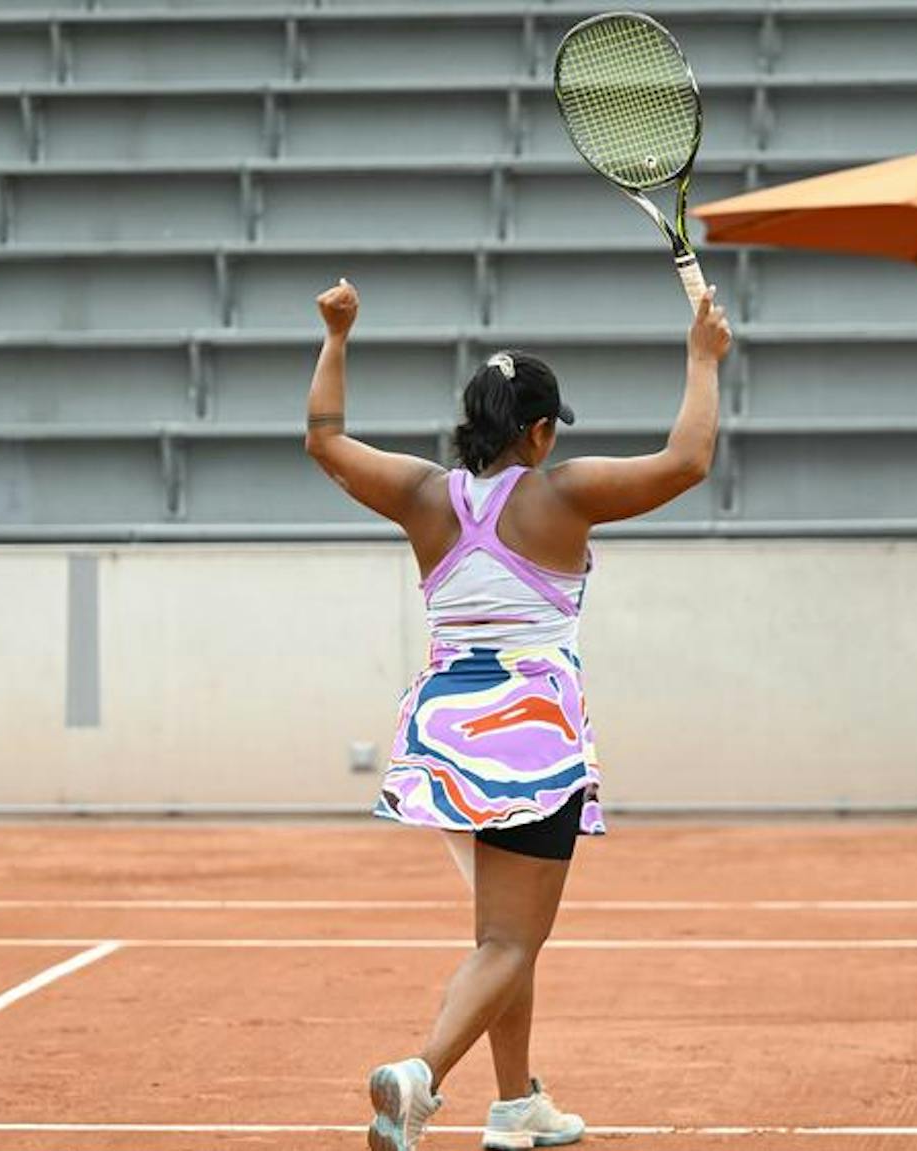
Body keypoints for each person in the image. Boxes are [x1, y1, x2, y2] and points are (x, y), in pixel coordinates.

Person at [305, 276, 732, 1151]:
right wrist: (702, 357)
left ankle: (517, 1104)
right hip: (530, 735)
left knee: (505, 932)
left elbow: (325, 438)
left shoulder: (423, 493)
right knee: (508, 939)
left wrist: (338, 334)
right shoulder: (563, 492)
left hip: (442, 734)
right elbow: (686, 461)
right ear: (537, 431)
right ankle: (419, 1076)